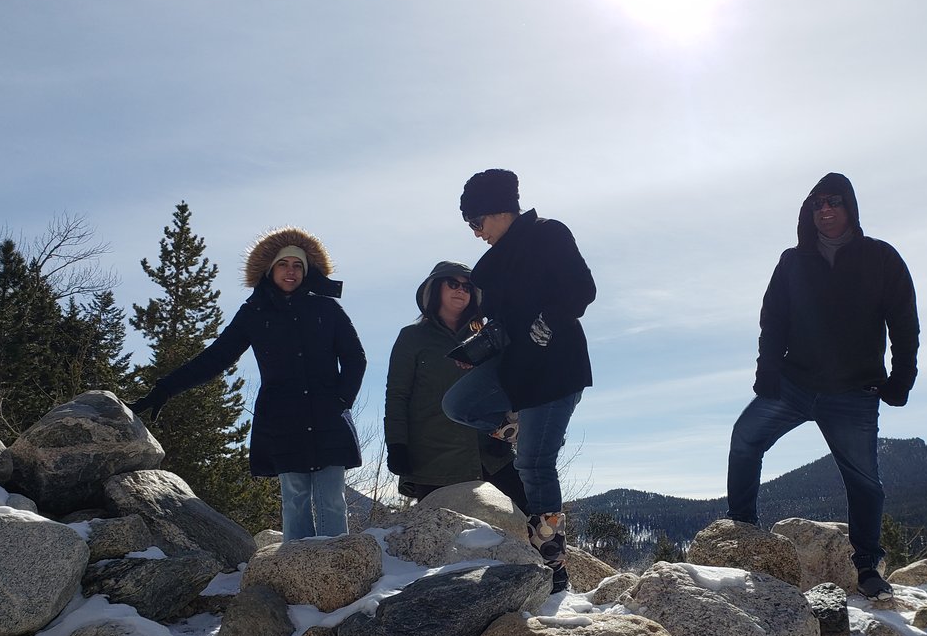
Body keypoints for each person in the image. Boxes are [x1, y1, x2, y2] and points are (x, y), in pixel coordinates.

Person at [727, 172, 919, 604]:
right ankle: (740, 531)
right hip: (794, 384)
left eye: (834, 202)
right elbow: (772, 321)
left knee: (864, 481)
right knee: (744, 440)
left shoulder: (880, 258)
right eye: (817, 204)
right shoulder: (792, 262)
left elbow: (904, 321)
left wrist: (902, 375)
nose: (825, 210)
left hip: (854, 391)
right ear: (808, 212)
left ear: (850, 206)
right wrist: (767, 371)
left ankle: (868, 567)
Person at [130, 227, 367, 540]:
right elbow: (214, 358)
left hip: (328, 416)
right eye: (284, 264)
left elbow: (355, 358)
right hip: (283, 419)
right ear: (270, 269)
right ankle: (298, 571)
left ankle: (337, 572)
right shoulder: (254, 314)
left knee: (331, 500)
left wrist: (341, 401)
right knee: (294, 499)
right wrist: (165, 388)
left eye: (298, 265)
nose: (291, 271)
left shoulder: (327, 309)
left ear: (307, 271)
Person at [442, 169, 596, 593]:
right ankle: (519, 426)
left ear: (498, 212)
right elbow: (501, 322)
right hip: (512, 367)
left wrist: (550, 317)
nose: (475, 233)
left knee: (532, 464)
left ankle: (553, 565)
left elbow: (582, 288)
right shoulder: (488, 267)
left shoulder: (548, 234)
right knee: (459, 404)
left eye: (476, 222)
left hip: (556, 368)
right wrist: (480, 345)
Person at [384, 260, 527, 508]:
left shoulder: (488, 337)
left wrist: (501, 436)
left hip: (491, 456)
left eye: (467, 286)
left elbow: (509, 386)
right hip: (432, 461)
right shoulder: (411, 337)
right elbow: (397, 395)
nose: (461, 290)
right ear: (435, 289)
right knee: (442, 539)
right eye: (453, 284)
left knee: (528, 516)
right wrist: (397, 445)